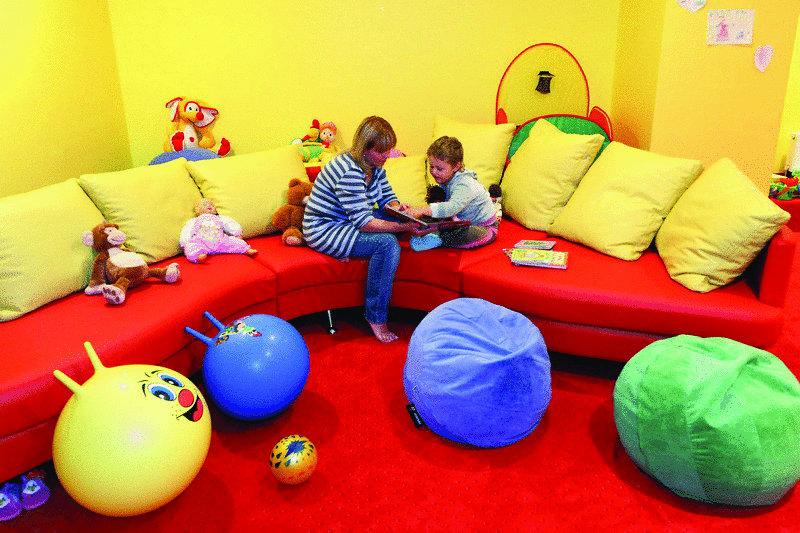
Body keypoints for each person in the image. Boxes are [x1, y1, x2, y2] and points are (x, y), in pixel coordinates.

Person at [303, 116, 421, 343]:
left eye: (389, 150)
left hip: (348, 219)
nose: (387, 155)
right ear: (365, 149)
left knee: (405, 221)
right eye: (381, 151)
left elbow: (387, 197)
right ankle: (375, 317)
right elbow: (364, 222)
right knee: (387, 244)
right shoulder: (349, 170)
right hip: (325, 228)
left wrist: (398, 209)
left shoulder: (375, 167)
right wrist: (402, 225)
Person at [405, 136, 499, 251]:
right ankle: (431, 232)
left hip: (483, 227)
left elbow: (452, 207)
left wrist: (423, 209)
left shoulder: (465, 183)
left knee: (464, 233)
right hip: (458, 221)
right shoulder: (446, 178)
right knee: (425, 219)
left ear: (456, 166)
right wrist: (415, 212)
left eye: (439, 169)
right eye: (431, 166)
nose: (433, 171)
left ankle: (437, 238)